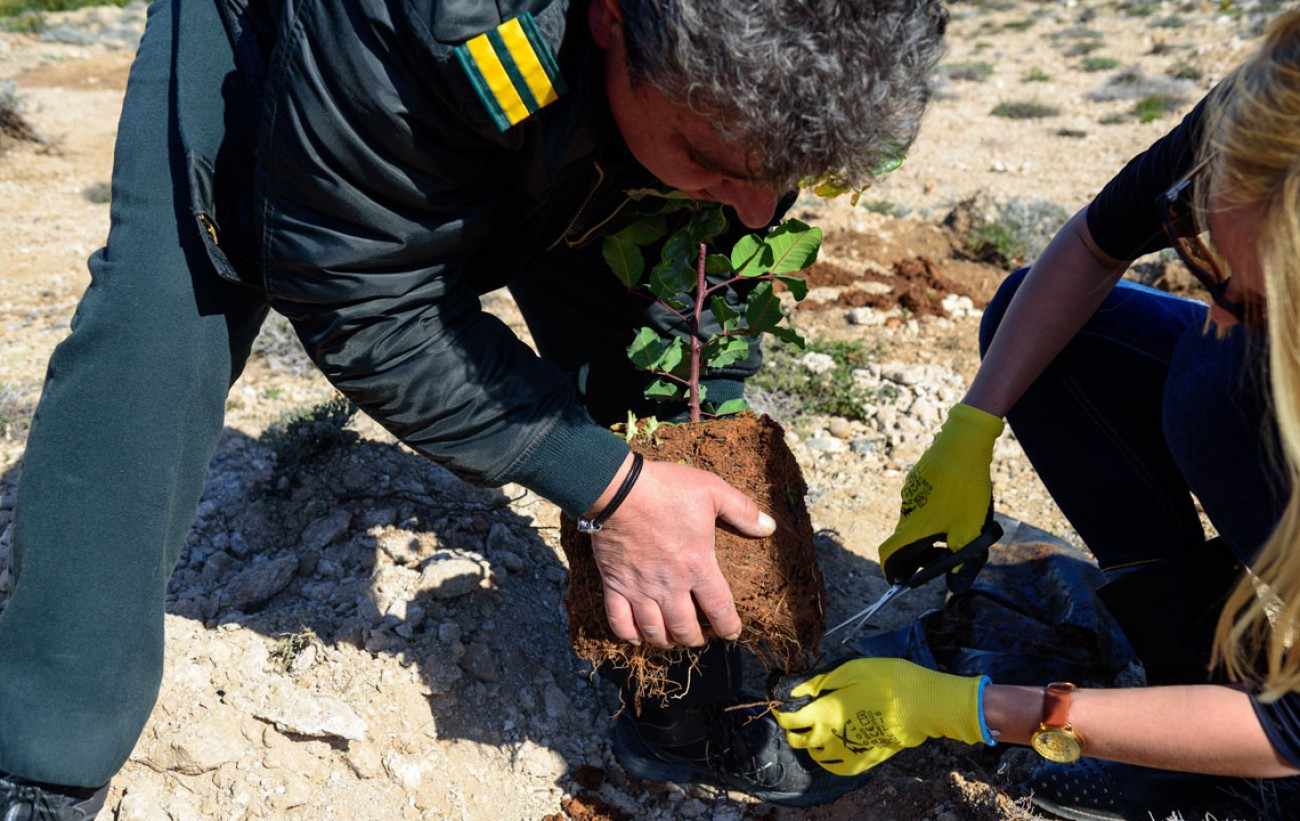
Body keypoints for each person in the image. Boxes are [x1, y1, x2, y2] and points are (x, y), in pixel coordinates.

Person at [0, 0, 949, 818]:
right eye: (711, 154)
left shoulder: (735, 67)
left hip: (593, 72)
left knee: (656, 321)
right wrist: (605, 485)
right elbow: (360, 296)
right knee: (169, 307)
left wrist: (704, 180)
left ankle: (687, 705)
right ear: (615, 17)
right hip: (297, 32)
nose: (756, 211)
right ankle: (44, 749)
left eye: (784, 178)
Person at [775, 9, 1300, 820]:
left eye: (1250, 297)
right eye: (1205, 264)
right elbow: (1098, 240)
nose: (1218, 312)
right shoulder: (1278, 109)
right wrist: (971, 426)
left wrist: (972, 708)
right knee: (1183, 370)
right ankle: (1183, 681)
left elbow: (1296, 728)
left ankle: (1216, 754)